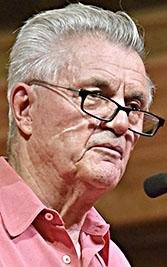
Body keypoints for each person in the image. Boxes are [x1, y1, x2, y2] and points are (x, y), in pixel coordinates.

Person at [0, 3, 165, 267]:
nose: (121, 123)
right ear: (25, 108)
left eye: (134, 107)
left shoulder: (114, 260)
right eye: (96, 96)